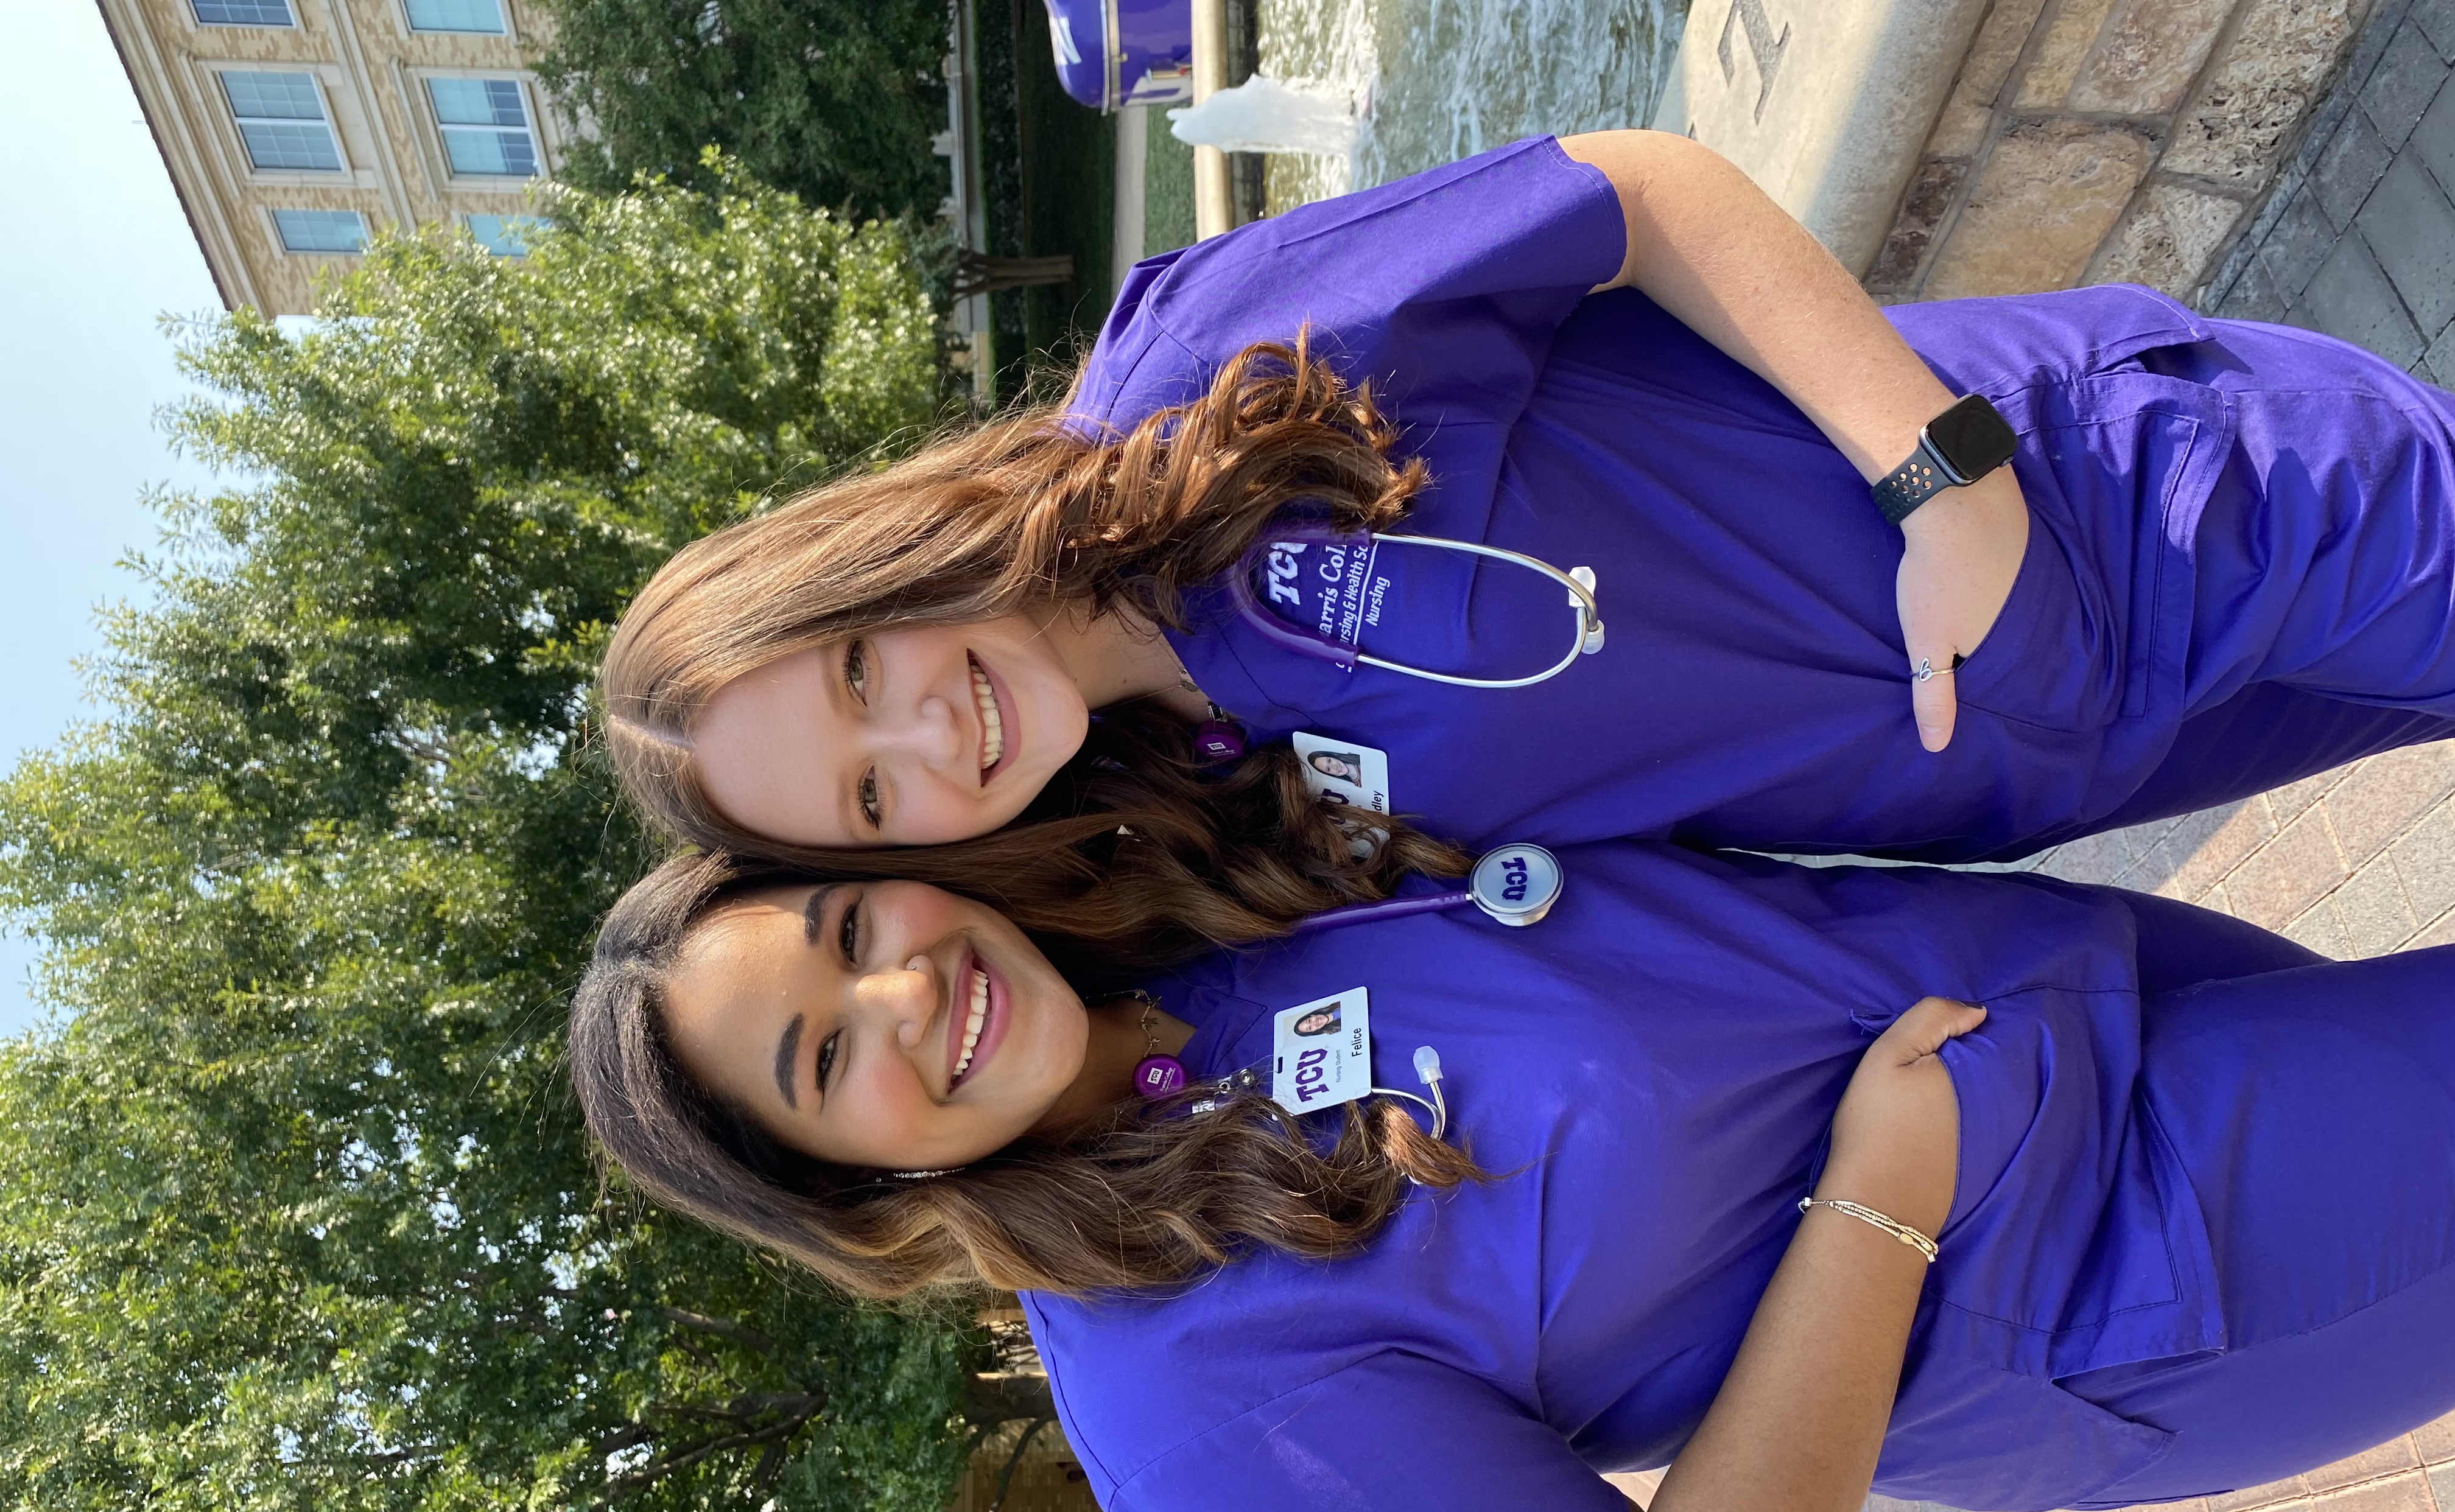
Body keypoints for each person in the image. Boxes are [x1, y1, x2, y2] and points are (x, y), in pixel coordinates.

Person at [566, 827, 2455, 1512]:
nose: (909, 991)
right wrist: (1879, 1203)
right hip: (2135, 1252)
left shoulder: (1194, 915)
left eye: (846, 928)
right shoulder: (1185, 1412)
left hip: (2108, 993)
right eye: (828, 1059)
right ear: (860, 1182)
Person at [600, 128, 2455, 894]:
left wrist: (1940, 481)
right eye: (868, 800)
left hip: (2121, 505)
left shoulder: (1193, 371)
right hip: (2068, 759)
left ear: (867, 561)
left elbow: (1634, 191)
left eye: (861, 668)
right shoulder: (1215, 801)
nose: (929, 735)